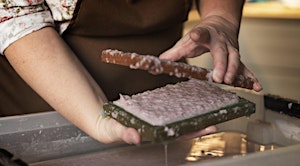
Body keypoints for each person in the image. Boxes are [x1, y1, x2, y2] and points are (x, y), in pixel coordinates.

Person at [0, 0, 262, 145]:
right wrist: (99, 120)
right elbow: (15, 14)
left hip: (162, 117)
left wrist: (220, 19)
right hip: (41, 121)